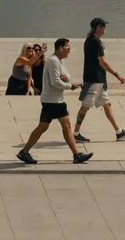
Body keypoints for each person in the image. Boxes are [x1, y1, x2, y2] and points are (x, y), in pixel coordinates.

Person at [17, 35, 92, 165]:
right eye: (68, 48)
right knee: (66, 126)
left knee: (43, 127)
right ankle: (76, 155)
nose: (69, 50)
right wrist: (70, 86)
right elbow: (55, 81)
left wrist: (69, 81)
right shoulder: (53, 61)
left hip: (53, 99)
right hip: (53, 101)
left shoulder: (59, 61)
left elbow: (62, 78)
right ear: (60, 48)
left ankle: (24, 152)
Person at [77, 18, 125, 141]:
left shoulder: (91, 40)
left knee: (107, 104)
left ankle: (118, 131)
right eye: (103, 25)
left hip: (98, 79)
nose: (105, 28)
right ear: (97, 27)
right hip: (94, 79)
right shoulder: (95, 41)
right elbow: (102, 61)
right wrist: (117, 75)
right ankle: (75, 133)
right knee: (85, 106)